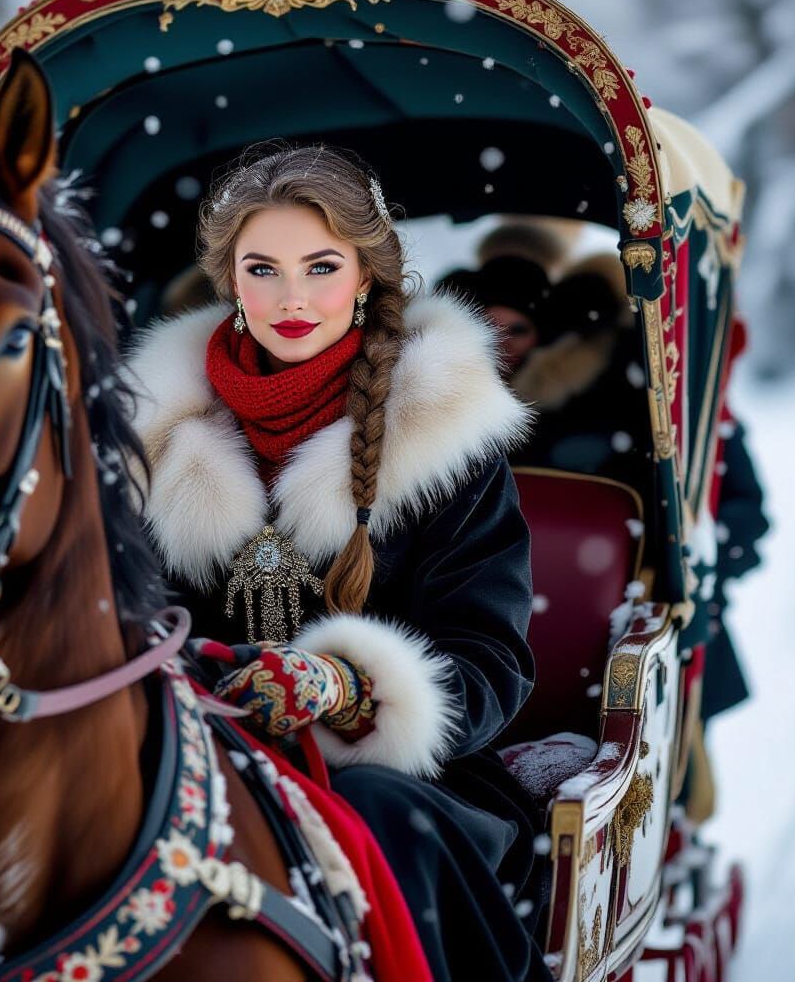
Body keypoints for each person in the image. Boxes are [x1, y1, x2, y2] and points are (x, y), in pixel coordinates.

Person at [125, 145, 552, 981]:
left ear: (365, 278)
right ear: (232, 281)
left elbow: (488, 663)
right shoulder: (150, 437)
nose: (292, 298)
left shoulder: (445, 439)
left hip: (410, 779)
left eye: (321, 267)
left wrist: (349, 690)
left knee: (366, 810)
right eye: (263, 269)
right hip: (198, 752)